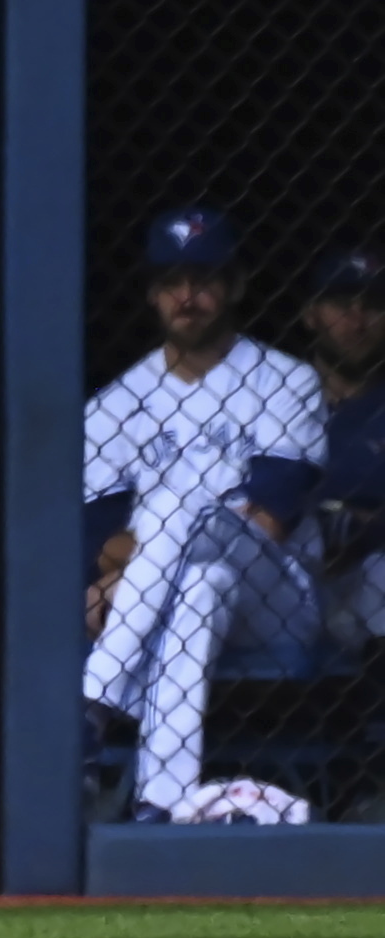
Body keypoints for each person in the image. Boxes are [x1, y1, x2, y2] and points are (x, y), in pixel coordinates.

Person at [82, 210, 323, 820]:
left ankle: (94, 700)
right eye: (171, 281)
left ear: (236, 286)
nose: (186, 296)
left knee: (180, 503)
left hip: (278, 597)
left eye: (204, 278)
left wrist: (139, 562)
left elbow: (269, 521)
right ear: (150, 293)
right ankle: (159, 804)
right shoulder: (114, 405)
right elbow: (99, 541)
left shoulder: (286, 380)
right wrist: (152, 558)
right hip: (186, 595)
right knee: (199, 584)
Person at [305, 248, 385, 659]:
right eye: (341, 304)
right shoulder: (272, 398)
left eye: (372, 306)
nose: (357, 321)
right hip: (290, 576)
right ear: (312, 314)